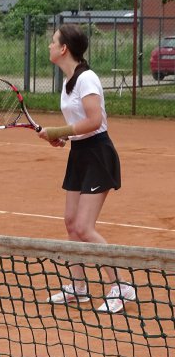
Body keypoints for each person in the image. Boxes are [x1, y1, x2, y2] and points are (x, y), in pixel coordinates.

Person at [39, 23, 134, 314]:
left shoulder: (86, 79)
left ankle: (121, 286)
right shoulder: (69, 81)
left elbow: (95, 121)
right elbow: (80, 126)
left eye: (53, 42)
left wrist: (59, 129)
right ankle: (79, 288)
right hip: (80, 153)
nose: (50, 46)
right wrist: (64, 137)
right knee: (70, 222)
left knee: (84, 227)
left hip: (98, 154)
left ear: (64, 48)